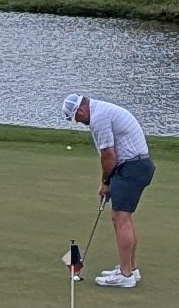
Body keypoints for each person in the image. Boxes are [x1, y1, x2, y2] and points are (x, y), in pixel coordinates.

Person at [64, 94, 152, 285]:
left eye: (76, 118)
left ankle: (125, 274)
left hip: (132, 167)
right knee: (122, 217)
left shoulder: (98, 118)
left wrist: (106, 182)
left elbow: (108, 156)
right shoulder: (100, 110)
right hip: (134, 166)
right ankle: (130, 268)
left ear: (80, 110)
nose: (79, 122)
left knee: (121, 217)